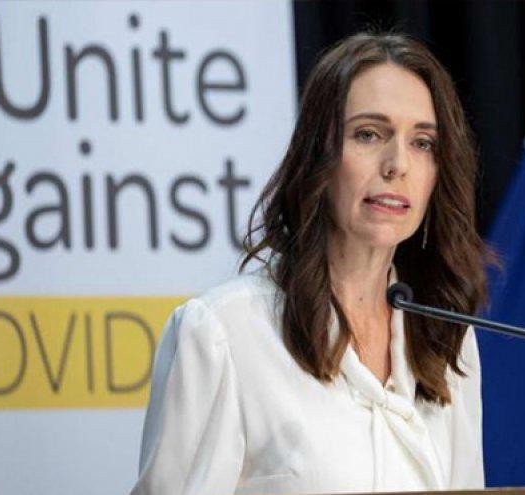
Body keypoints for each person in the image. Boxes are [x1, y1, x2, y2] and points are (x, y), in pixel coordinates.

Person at [130, 32, 494, 495]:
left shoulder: (446, 340)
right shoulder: (224, 333)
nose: (397, 164)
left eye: (422, 143)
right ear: (318, 154)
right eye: (368, 134)